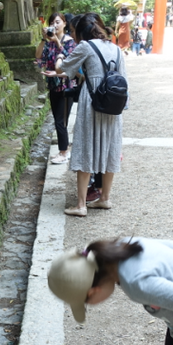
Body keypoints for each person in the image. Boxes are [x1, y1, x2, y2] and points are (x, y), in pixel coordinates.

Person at [55, 12, 123, 216]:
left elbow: (63, 69)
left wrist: (59, 56)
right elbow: (124, 78)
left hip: (92, 101)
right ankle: (105, 199)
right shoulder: (116, 48)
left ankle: (81, 205)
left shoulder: (85, 46)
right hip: (113, 103)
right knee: (110, 147)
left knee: (86, 146)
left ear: (82, 32)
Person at [35, 12, 77, 165]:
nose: (55, 25)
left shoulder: (70, 41)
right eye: (53, 22)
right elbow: (39, 59)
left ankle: (64, 152)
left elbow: (71, 61)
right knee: (57, 119)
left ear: (65, 23)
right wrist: (43, 39)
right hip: (53, 85)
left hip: (66, 86)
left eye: (58, 22)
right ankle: (63, 150)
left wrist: (58, 43)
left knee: (61, 121)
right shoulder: (50, 42)